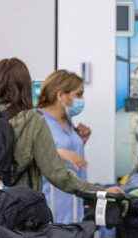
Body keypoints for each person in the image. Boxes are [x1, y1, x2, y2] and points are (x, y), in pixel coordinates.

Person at [0, 58, 113, 199]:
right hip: (17, 209)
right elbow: (57, 174)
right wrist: (101, 192)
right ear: (25, 86)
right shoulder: (31, 120)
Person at [36, 70, 90, 223]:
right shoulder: (38, 121)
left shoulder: (67, 121)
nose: (82, 100)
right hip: (51, 202)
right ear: (61, 95)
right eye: (78, 95)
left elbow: (70, 153)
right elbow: (28, 155)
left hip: (74, 202)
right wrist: (58, 153)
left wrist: (81, 140)